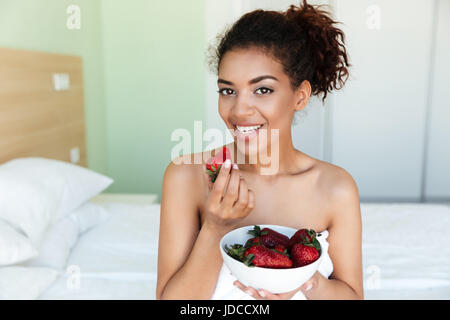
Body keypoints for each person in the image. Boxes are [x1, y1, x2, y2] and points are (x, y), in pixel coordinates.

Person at [156, 0, 363, 300]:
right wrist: (216, 227)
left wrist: (306, 281)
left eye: (262, 90)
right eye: (228, 90)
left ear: (300, 96)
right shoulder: (185, 175)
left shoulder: (336, 187)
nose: (239, 110)